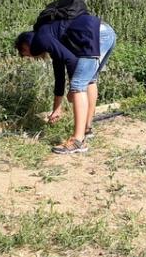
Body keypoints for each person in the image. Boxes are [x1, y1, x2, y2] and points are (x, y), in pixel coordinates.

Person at [15, 11, 116, 154]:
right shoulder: (51, 36)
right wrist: (57, 108)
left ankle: (77, 141)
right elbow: (59, 77)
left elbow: (71, 60)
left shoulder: (42, 38)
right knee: (89, 81)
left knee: (78, 86)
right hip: (105, 32)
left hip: (96, 35)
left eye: (25, 52)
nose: (30, 56)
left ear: (27, 42)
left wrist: (73, 88)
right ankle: (86, 129)